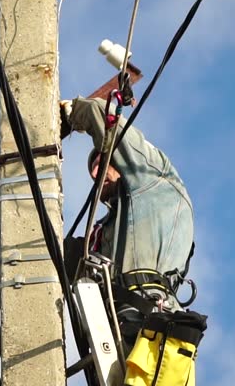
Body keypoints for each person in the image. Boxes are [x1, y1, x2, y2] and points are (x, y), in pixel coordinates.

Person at [61, 96, 195, 353]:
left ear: (120, 161)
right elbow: (66, 258)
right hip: (120, 325)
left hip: (150, 315)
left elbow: (100, 112)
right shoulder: (110, 231)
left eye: (100, 163)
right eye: (91, 170)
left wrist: (69, 112)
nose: (93, 175)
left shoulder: (154, 182)